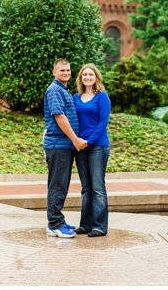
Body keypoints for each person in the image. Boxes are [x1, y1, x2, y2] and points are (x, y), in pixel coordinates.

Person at [44, 58, 87, 238]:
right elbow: (59, 117)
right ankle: (54, 224)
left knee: (61, 185)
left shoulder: (64, 90)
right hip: (58, 145)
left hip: (64, 145)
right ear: (54, 72)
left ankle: (57, 221)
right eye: (62, 71)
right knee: (57, 185)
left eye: (68, 70)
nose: (66, 73)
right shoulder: (54, 90)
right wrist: (75, 139)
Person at [73, 63, 112, 238]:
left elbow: (103, 123)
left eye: (90, 74)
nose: (87, 77)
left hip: (97, 146)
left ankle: (99, 226)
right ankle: (85, 225)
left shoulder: (102, 97)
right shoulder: (76, 97)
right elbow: (73, 120)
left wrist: (88, 141)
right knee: (86, 188)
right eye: (84, 75)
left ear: (96, 77)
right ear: (80, 78)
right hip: (80, 146)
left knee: (97, 187)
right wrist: (76, 141)